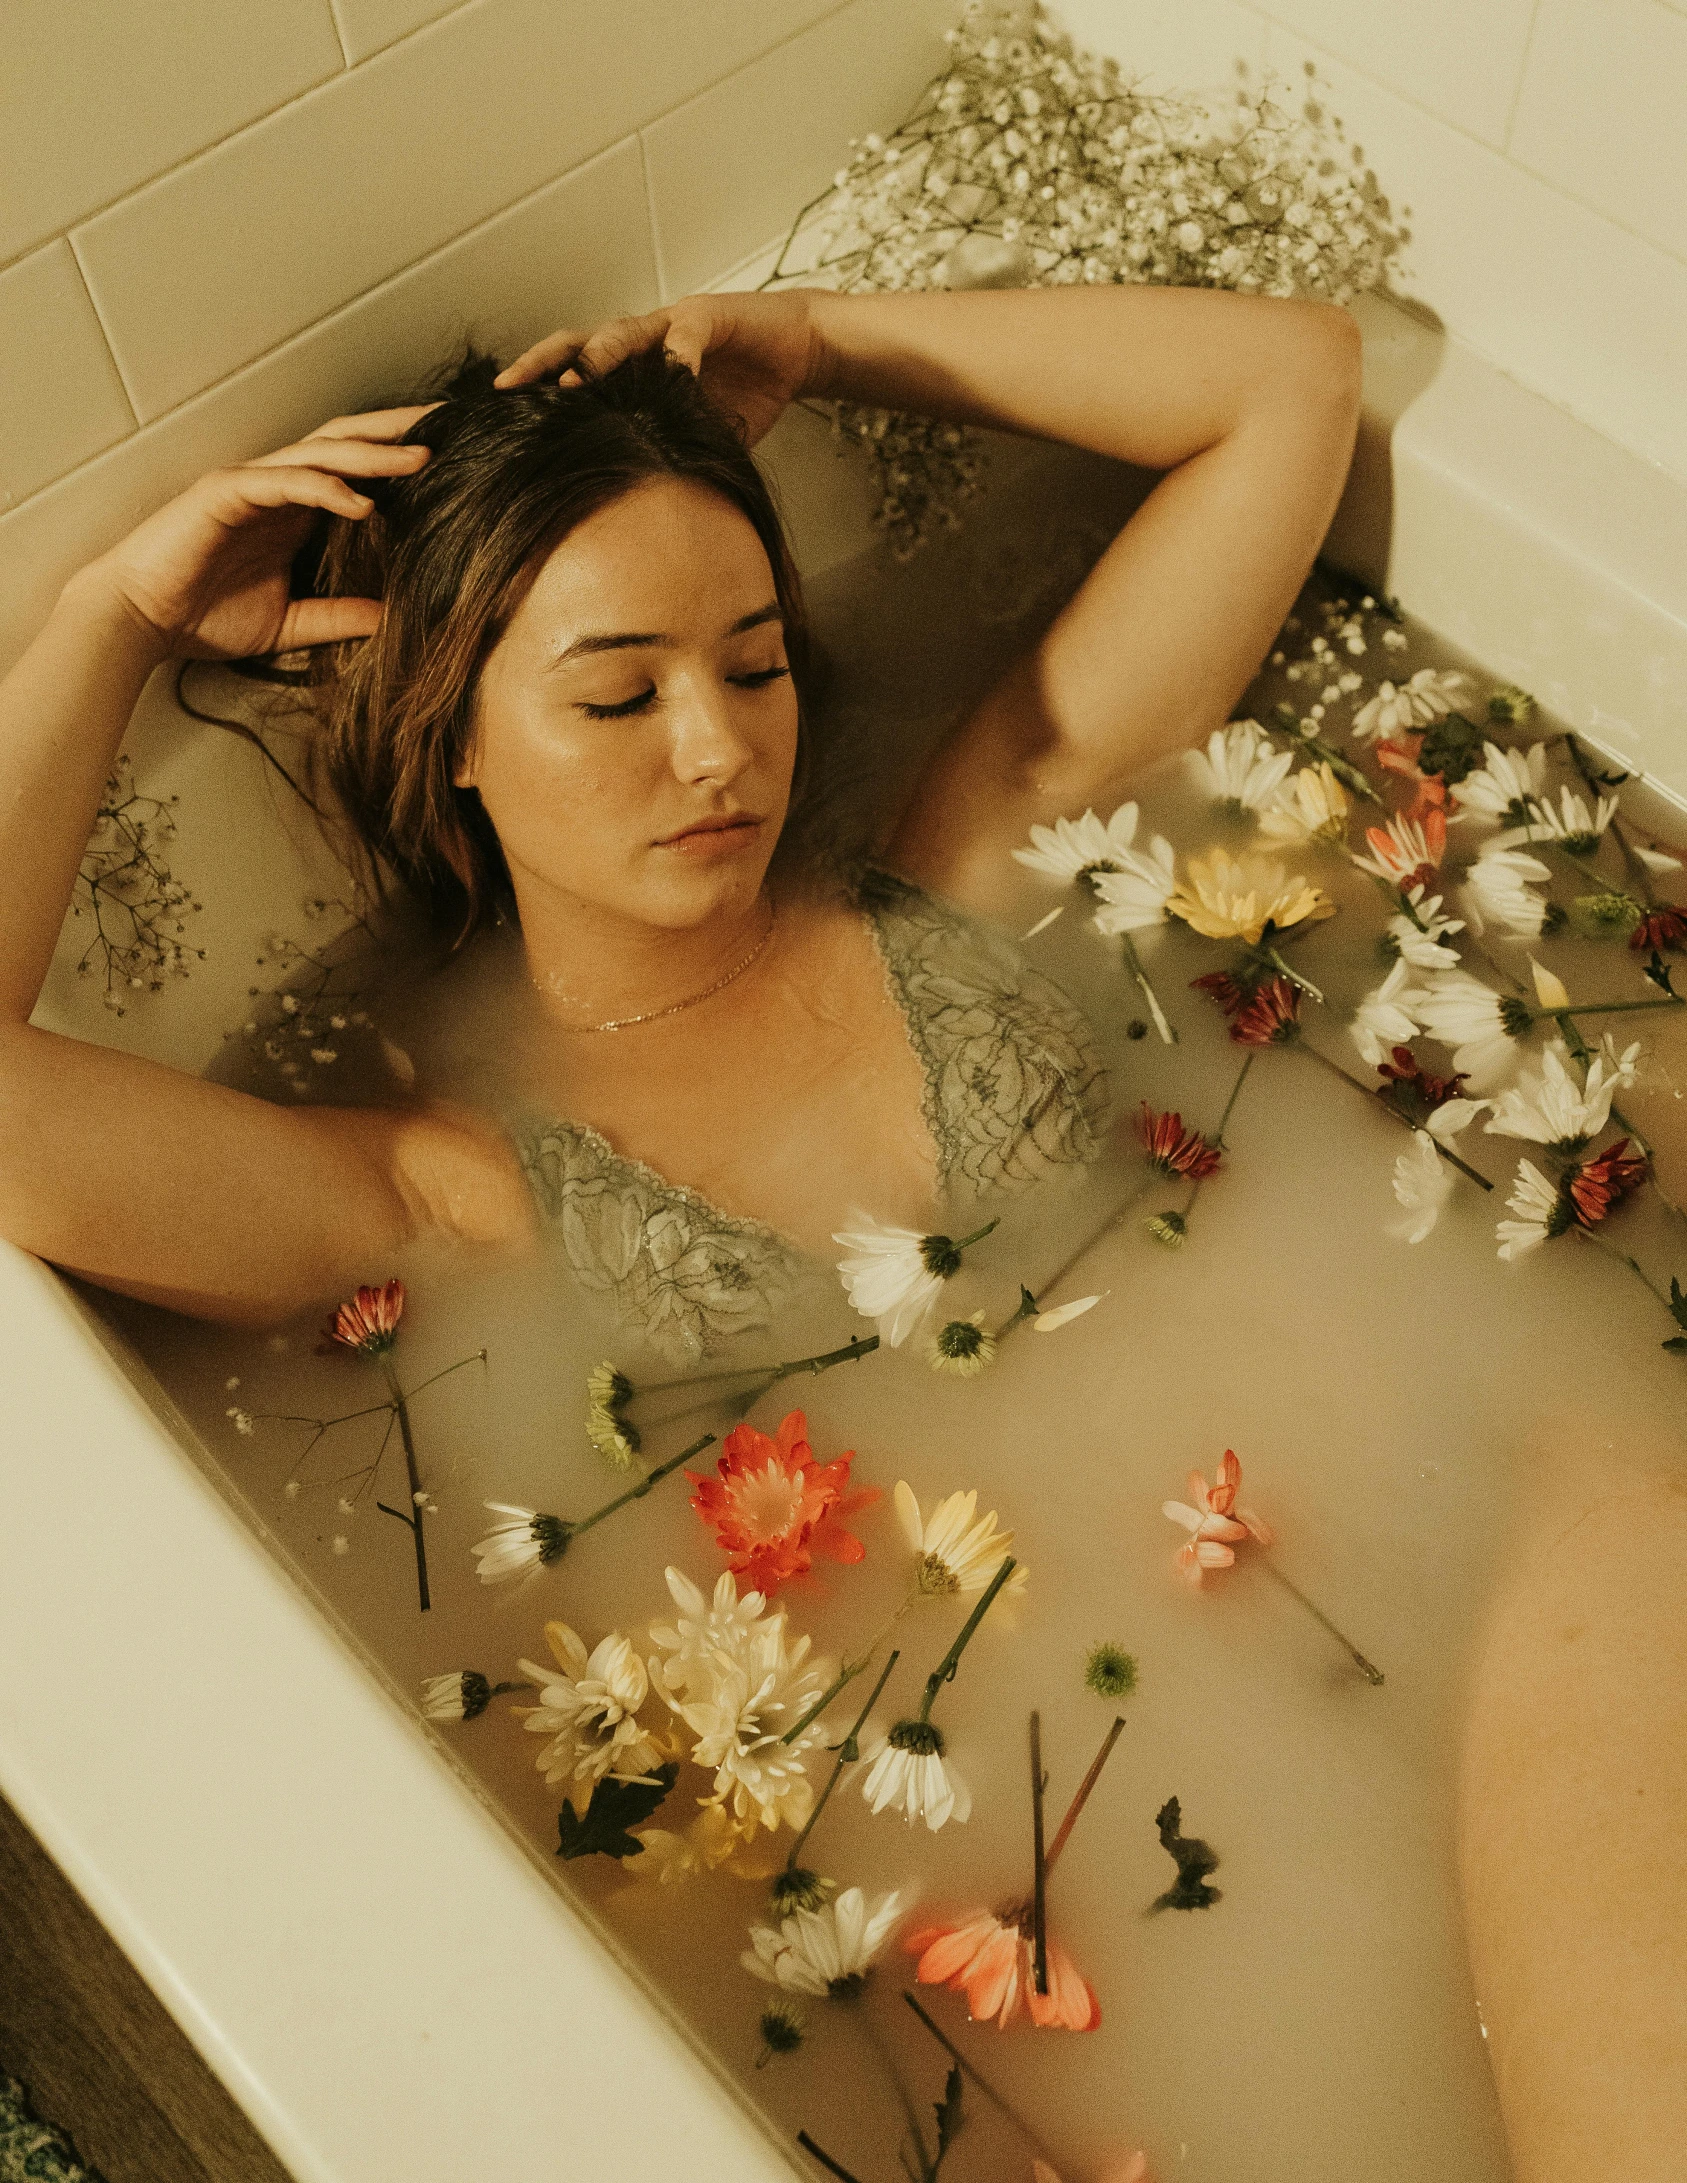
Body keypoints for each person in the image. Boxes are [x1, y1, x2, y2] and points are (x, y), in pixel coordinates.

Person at [0, 283, 1362, 1332]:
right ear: (452, 733)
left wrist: (822, 334)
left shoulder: (967, 877)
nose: (721, 750)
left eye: (756, 665)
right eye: (616, 699)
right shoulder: (457, 1193)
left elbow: (1290, 379)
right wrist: (112, 617)